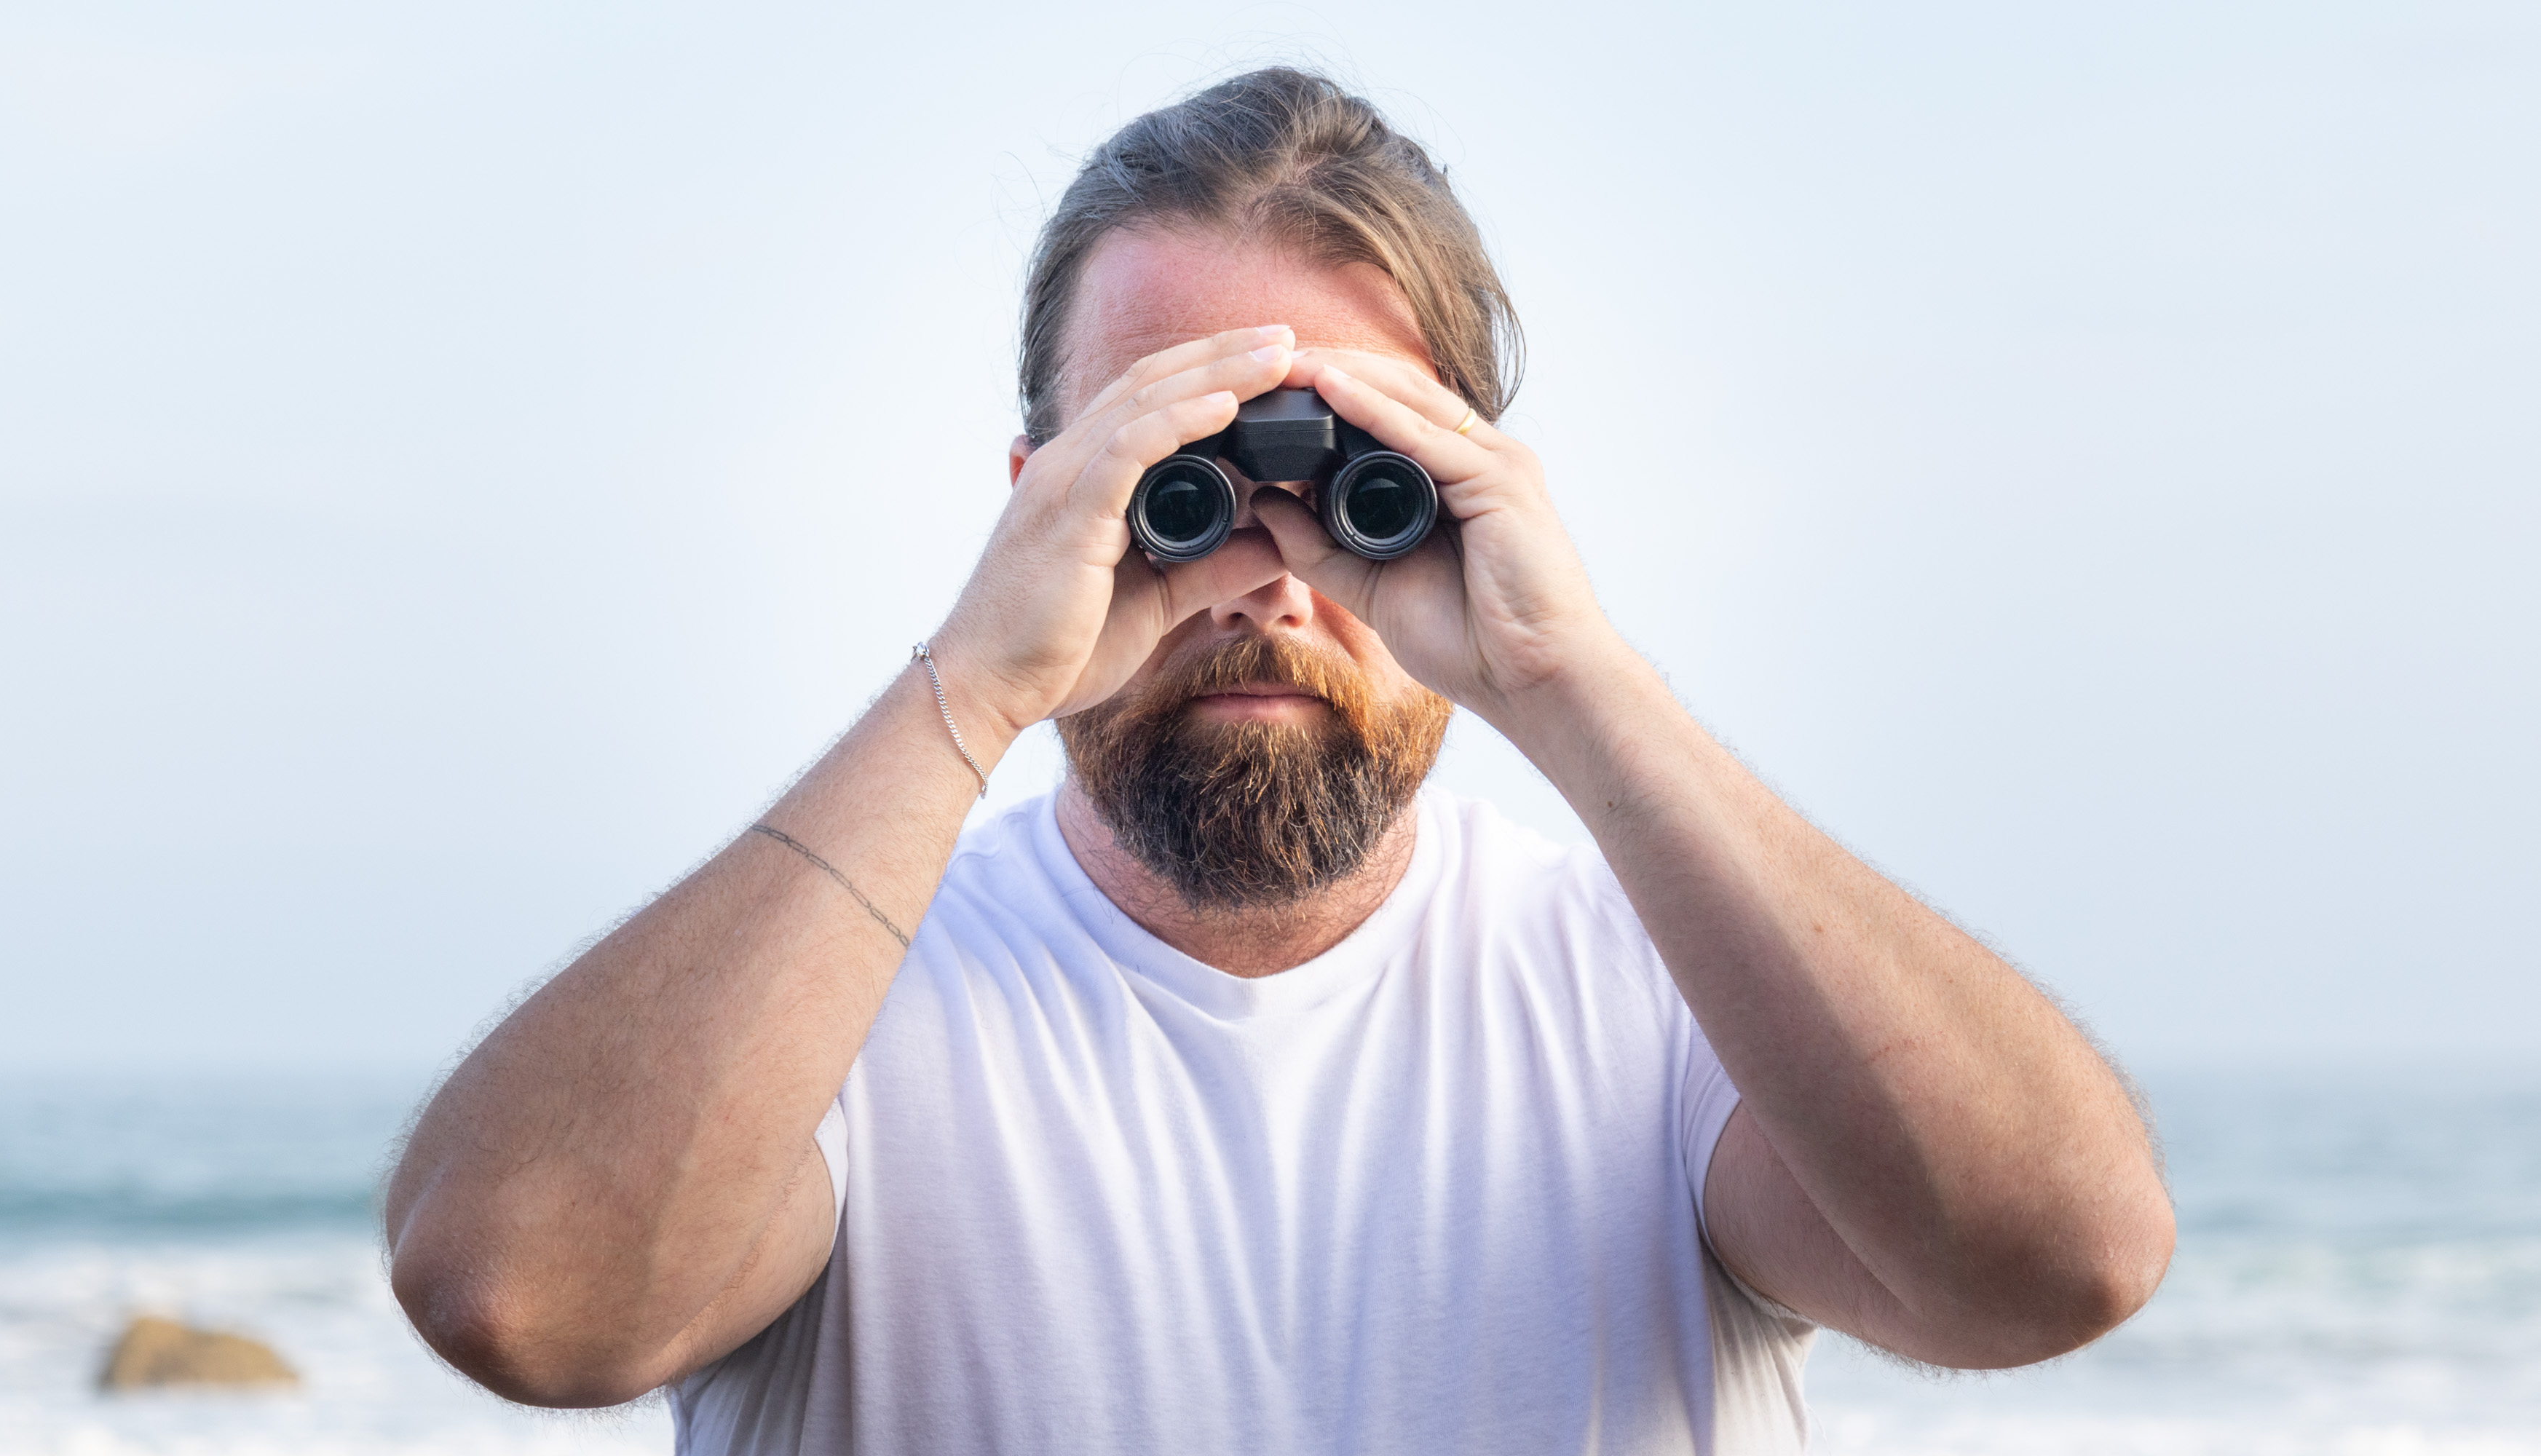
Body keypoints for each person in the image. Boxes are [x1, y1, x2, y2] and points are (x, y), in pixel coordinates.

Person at [383, 68, 2175, 1455]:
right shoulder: (823, 1022)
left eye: (1358, 488)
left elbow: (2053, 1259)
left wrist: (1568, 679)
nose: (1264, 576)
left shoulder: (1675, 998)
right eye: (1171, 484)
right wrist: (965, 690)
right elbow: (522, 1297)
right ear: (1038, 511)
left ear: (1480, 500)